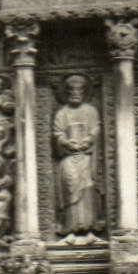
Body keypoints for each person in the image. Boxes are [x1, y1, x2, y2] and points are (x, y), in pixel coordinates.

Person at [52, 74, 101, 236]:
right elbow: (57, 133)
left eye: (79, 90)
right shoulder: (62, 113)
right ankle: (70, 229)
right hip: (68, 157)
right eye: (71, 90)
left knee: (88, 189)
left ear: (84, 91)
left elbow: (95, 129)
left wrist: (88, 140)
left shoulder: (90, 111)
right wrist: (67, 143)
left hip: (86, 157)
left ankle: (89, 229)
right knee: (69, 190)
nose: (75, 92)